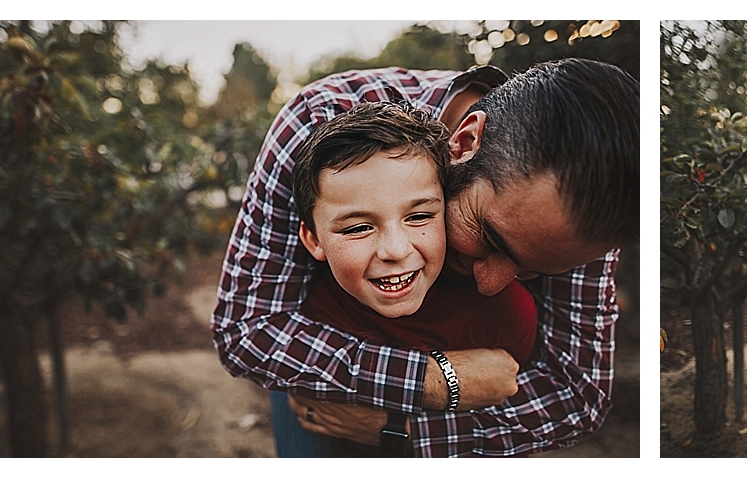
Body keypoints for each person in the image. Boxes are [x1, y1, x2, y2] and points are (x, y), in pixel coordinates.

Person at [213, 58, 637, 457]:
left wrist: (399, 427)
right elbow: (248, 328)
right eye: (489, 236)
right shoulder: (317, 119)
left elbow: (576, 396)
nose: (490, 284)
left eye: (534, 271)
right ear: (465, 142)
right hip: (327, 356)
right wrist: (433, 381)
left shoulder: (594, 202)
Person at [286, 101, 539, 456]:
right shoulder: (304, 309)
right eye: (358, 227)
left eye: (419, 216)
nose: (395, 249)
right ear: (314, 240)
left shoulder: (505, 313)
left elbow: (509, 428)